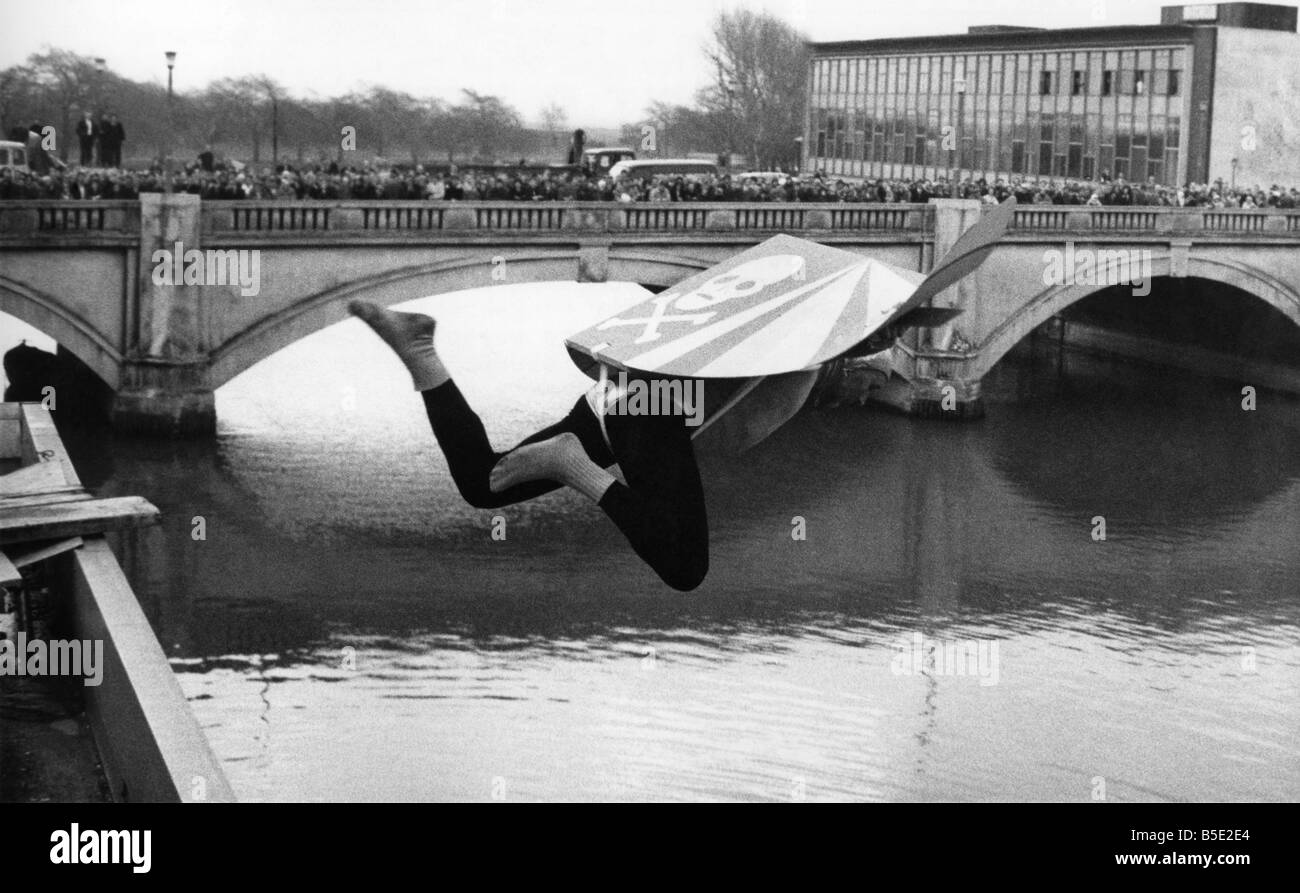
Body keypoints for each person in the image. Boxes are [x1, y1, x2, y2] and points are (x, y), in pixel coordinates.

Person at [347, 300, 708, 592]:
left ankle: (418, 349)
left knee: (483, 481)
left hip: (629, 395)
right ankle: (571, 465)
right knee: (684, 567)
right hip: (656, 403)